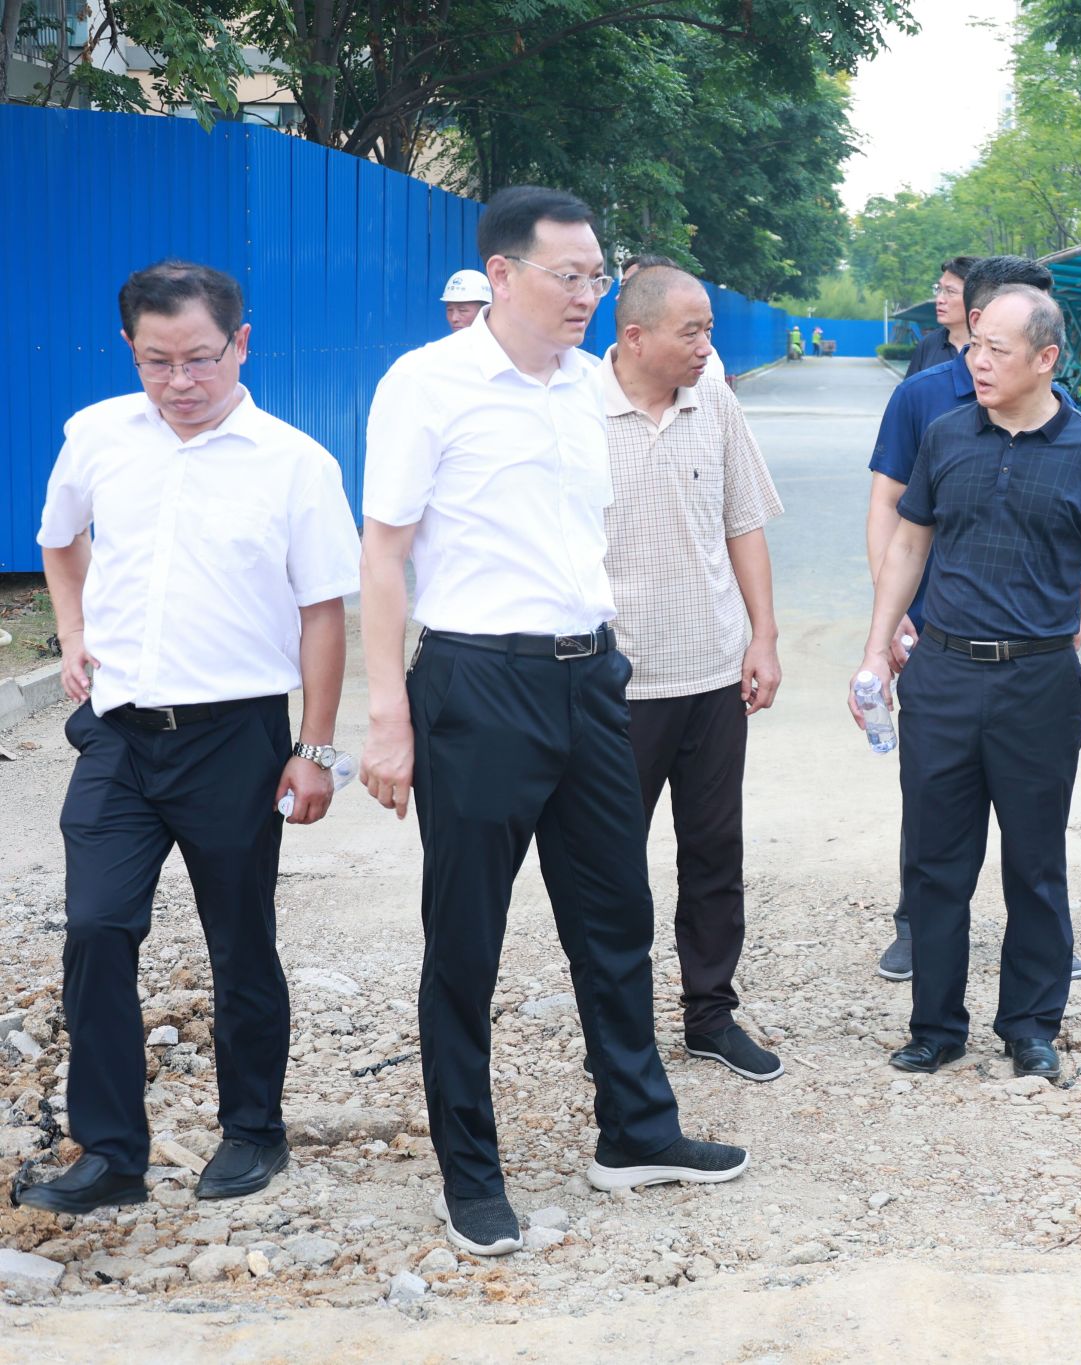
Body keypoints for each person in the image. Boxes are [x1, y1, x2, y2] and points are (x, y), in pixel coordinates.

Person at [358, 186, 746, 1258]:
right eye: (567, 276)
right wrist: (387, 715)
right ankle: (470, 1173)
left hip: (588, 678)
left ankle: (636, 1130)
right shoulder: (426, 384)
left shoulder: (586, 387)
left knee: (615, 916)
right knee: (466, 938)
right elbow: (383, 556)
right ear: (502, 275)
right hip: (478, 683)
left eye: (596, 277)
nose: (586, 295)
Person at [14, 260, 361, 1216]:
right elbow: (59, 538)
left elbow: (322, 614)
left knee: (240, 940)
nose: (180, 381)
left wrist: (315, 749)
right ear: (130, 348)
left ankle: (253, 1129)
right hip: (119, 736)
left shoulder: (294, 463)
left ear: (241, 343)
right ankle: (110, 1154)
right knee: (96, 929)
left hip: (235, 739)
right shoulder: (98, 435)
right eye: (157, 361)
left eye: (201, 358)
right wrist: (74, 634)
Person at [853, 284, 1081, 1079]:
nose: (977, 361)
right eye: (975, 345)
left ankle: (1030, 1025)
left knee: (1035, 862)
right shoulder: (947, 435)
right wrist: (877, 650)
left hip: (1039, 681)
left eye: (996, 350)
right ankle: (935, 1026)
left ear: (1046, 359)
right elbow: (908, 547)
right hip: (944, 674)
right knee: (935, 860)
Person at [864, 255, 1081, 984]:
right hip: (939, 629)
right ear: (978, 317)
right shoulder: (924, 399)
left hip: (1027, 641)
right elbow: (889, 508)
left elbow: (1078, 524)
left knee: (1033, 815)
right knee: (935, 806)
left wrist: (1075, 608)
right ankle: (916, 929)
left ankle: (1041, 955)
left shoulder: (1059, 404)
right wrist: (893, 618)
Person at [599, 265, 786, 1083]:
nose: (709, 345)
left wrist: (763, 636)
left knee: (714, 852)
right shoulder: (575, 409)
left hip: (712, 673)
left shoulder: (715, 399)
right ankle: (618, 1028)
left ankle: (711, 1014)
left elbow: (744, 522)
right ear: (635, 337)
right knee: (610, 864)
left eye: (710, 327)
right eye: (693, 331)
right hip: (615, 684)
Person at [622, 254, 726, 390]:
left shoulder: (708, 383)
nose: (621, 297)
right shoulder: (598, 380)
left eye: (707, 329)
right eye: (622, 288)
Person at [906, 256, 976, 376]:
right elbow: (912, 387)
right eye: (939, 289)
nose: (939, 299)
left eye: (950, 291)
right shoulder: (928, 345)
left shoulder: (994, 349)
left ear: (976, 297)